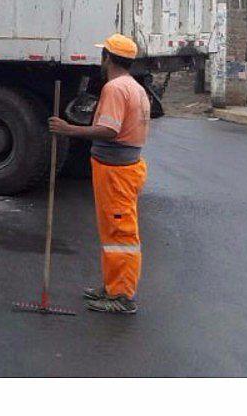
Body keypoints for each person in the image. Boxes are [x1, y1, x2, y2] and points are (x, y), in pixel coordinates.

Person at [48, 33, 150, 315]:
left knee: (120, 234)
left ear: (107, 58)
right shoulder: (133, 87)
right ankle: (112, 286)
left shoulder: (116, 88)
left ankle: (121, 296)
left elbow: (109, 129)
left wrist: (69, 130)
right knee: (113, 233)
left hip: (117, 171)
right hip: (121, 169)